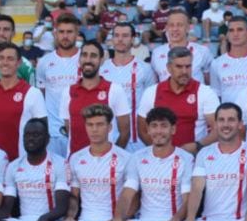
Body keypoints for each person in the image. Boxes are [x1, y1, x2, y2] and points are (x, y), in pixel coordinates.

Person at [138, 46, 219, 153]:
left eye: (188, 66)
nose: (184, 71)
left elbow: (218, 128)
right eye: (179, 67)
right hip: (161, 161)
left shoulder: (205, 92)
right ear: (169, 68)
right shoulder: (152, 92)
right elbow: (142, 130)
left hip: (193, 158)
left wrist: (198, 146)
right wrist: (161, 152)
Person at [0, 42, 46, 162]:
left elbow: (42, 131)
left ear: (18, 63)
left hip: (22, 164)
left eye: (10, 59)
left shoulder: (33, 93)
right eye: (1, 58)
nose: (5, 63)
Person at [57, 40, 129, 155]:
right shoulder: (68, 92)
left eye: (93, 56)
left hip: (106, 164)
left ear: (101, 60)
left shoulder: (115, 90)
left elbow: (125, 132)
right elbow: (69, 129)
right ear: (79, 60)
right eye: (84, 55)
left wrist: (113, 157)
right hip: (75, 163)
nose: (88, 60)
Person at [100, 22, 157, 151]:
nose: (120, 39)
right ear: (112, 39)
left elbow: (151, 103)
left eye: (125, 36)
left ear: (132, 39)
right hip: (109, 138)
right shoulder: (102, 69)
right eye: (117, 35)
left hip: (137, 139)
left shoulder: (144, 69)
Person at [34, 13, 80, 158]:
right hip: (53, 132)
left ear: (76, 34)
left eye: (69, 32)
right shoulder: (44, 62)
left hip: (81, 130)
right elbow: (41, 95)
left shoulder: (86, 60)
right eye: (61, 32)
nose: (65, 36)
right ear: (55, 33)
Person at [150, 8, 213, 83]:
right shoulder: (156, 53)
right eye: (171, 25)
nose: (175, 29)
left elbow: (209, 82)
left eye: (179, 25)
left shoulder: (203, 51)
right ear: (166, 28)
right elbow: (156, 84)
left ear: (188, 28)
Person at [208, 16, 247, 103]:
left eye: (240, 30)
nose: (235, 34)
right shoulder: (217, 63)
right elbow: (216, 96)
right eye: (231, 30)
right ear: (227, 34)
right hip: (228, 115)